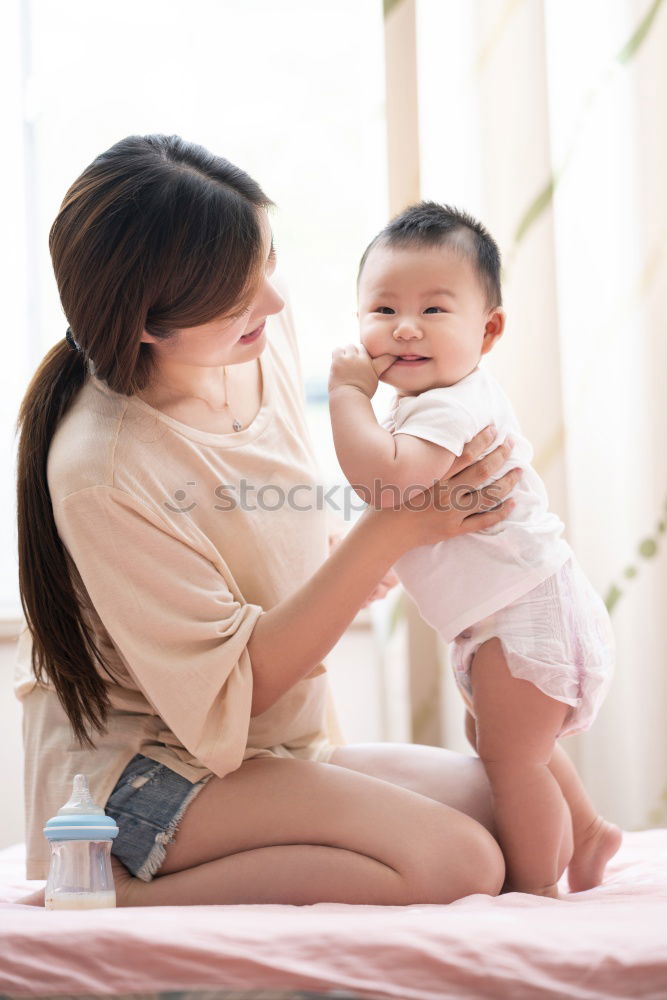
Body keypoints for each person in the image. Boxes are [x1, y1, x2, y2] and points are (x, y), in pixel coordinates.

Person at [14, 136, 522, 909]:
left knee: (510, 807)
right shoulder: (103, 469)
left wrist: (378, 532)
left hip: (263, 749)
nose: (275, 304)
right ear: (148, 324)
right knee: (460, 866)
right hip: (142, 774)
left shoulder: (252, 336)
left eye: (269, 264)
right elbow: (234, 689)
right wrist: (391, 531)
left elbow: (251, 528)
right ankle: (107, 896)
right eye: (238, 295)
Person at [327, 202, 622, 899]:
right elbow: (427, 519)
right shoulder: (428, 406)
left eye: (434, 309)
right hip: (505, 608)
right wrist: (380, 566)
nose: (404, 326)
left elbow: (392, 483)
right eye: (382, 308)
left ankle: (532, 893)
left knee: (511, 761)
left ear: (487, 330)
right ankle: (584, 832)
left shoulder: (450, 404)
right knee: (510, 743)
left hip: (524, 612)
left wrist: (344, 396)